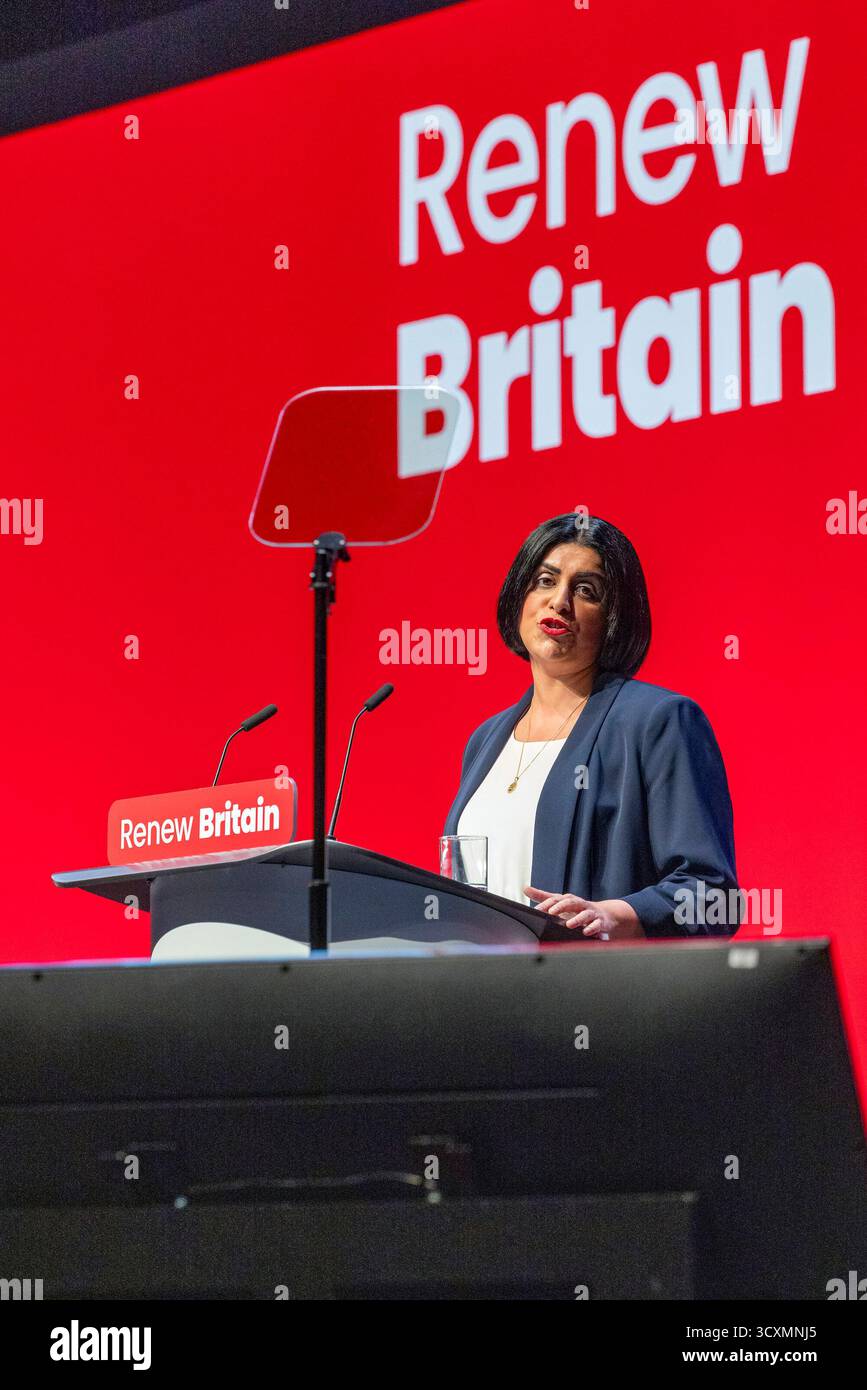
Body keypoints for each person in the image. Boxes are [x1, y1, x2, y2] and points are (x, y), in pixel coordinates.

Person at [443, 514, 739, 941]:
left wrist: (615, 915)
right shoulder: (485, 740)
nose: (559, 602)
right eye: (545, 581)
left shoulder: (657, 722)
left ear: (614, 618)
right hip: (484, 995)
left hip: (594, 995)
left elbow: (713, 894)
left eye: (585, 590)